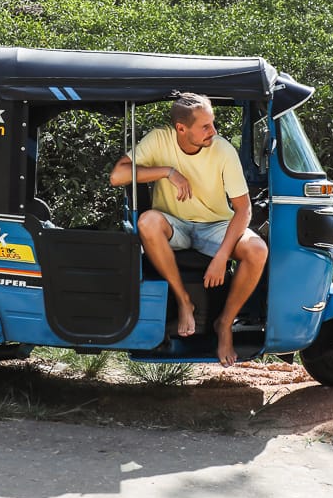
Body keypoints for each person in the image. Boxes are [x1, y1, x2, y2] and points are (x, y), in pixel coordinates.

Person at [109, 92, 268, 367]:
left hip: (215, 226)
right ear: (181, 129)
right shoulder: (160, 139)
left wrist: (222, 257)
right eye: (205, 126)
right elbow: (117, 175)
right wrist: (167, 172)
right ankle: (184, 301)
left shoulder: (222, 150)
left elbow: (244, 210)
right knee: (147, 221)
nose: (214, 131)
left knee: (257, 249)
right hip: (174, 225)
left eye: (213, 123)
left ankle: (225, 324)